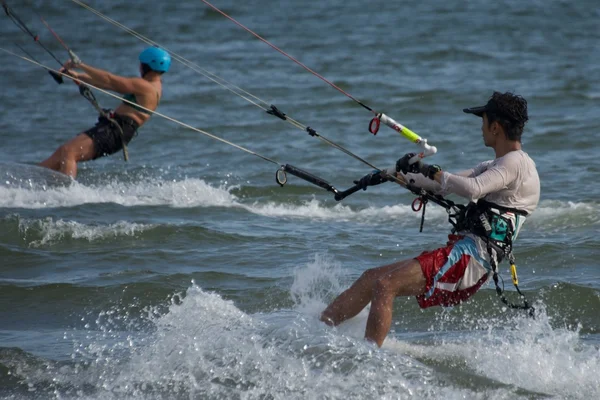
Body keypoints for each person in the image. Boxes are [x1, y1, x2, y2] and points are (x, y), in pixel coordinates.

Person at [320, 91, 540, 347]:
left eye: (483, 121)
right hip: (462, 253)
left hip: (471, 260)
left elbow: (473, 189)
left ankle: (367, 362)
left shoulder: (516, 164)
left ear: (495, 126)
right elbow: (444, 185)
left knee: (385, 285)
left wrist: (429, 170)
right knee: (372, 278)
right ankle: (318, 330)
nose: (480, 128)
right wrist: (395, 175)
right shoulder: (497, 165)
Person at [39, 46, 172, 178]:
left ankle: (65, 194)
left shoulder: (144, 86)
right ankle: (31, 179)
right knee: (61, 153)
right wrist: (77, 76)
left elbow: (109, 79)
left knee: (69, 152)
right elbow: (106, 84)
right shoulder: (154, 85)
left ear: (146, 66)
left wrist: (80, 65)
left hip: (116, 131)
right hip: (114, 129)